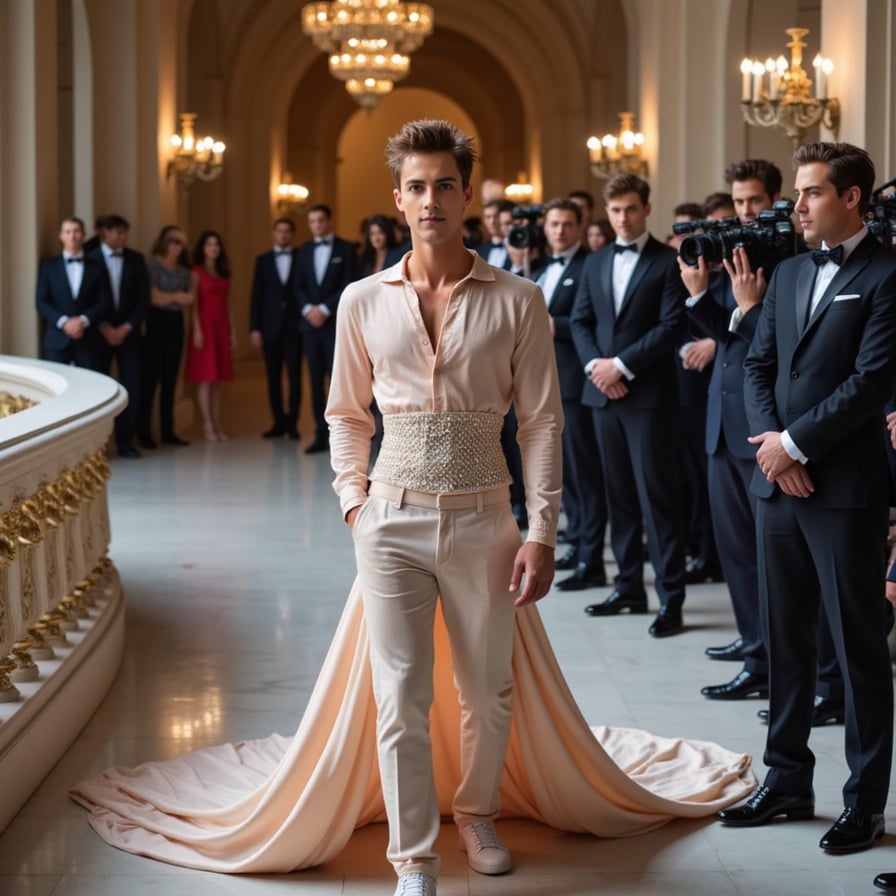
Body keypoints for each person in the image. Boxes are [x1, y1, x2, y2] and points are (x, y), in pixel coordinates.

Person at [69, 122, 755, 887]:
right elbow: (344, 414)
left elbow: (539, 422)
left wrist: (539, 532)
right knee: (399, 693)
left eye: (445, 185)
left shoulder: (519, 300)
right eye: (417, 187)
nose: (431, 199)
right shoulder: (362, 300)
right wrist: (353, 499)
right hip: (388, 520)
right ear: (399, 199)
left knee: (487, 689)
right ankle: (413, 852)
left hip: (485, 521)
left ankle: (480, 816)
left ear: (465, 194)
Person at [718, 142, 896, 855]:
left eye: (811, 193)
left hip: (843, 488)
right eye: (797, 193)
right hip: (777, 483)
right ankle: (786, 778)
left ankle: (865, 803)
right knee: (784, 639)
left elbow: (873, 380)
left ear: (852, 197)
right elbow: (757, 363)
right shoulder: (789, 272)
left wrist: (797, 446)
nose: (796, 206)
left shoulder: (887, 276)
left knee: (856, 650)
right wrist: (773, 444)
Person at [679, 159, 783, 701]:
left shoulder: (788, 261)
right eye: (739, 202)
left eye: (755, 202)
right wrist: (699, 292)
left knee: (770, 561)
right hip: (721, 426)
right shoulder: (728, 257)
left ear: (776, 201)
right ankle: (755, 654)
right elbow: (725, 334)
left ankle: (778, 661)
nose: (745, 212)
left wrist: (750, 305)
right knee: (737, 555)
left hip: (763, 430)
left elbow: (758, 343)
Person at [570, 173, 689, 637]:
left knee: (657, 499)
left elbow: (672, 325)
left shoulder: (668, 261)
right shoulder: (596, 262)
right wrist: (596, 369)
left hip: (648, 399)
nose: (622, 218)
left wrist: (622, 365)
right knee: (617, 495)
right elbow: (581, 321)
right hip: (601, 395)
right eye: (615, 210)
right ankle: (628, 587)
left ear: (646, 209)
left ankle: (671, 599)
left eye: (631, 209)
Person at [532, 198, 608, 590]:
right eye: (553, 224)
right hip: (546, 384)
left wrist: (553, 325)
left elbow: (585, 321)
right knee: (566, 476)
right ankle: (577, 543)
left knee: (585, 474)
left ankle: (591, 557)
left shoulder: (587, 267)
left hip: (576, 383)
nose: (559, 230)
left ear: (580, 226)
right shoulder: (543, 267)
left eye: (566, 224)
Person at [295, 203, 357, 454]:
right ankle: (320, 434)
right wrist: (308, 309)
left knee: (338, 382)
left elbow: (349, 284)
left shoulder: (346, 249)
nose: (317, 225)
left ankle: (341, 436)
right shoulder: (304, 250)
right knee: (314, 381)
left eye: (321, 220)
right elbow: (297, 286)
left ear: (329, 221)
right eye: (312, 221)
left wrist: (326, 309)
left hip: (334, 326)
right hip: (310, 326)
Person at [90, 214, 150, 457]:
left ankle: (126, 440)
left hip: (129, 334)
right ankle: (99, 444)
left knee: (131, 387)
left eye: (125, 232)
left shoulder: (136, 259)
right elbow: (87, 297)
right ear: (105, 232)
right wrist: (104, 326)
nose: (123, 236)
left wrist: (126, 327)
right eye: (118, 232)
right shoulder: (90, 258)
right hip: (98, 335)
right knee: (99, 389)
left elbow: (143, 299)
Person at [139, 225, 194, 448]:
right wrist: (176, 296)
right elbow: (153, 297)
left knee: (171, 380)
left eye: (180, 242)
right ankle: (144, 432)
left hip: (175, 325)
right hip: (155, 323)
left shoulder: (184, 270)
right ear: (164, 241)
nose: (176, 246)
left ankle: (168, 430)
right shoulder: (152, 264)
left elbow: (190, 299)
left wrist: (169, 297)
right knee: (150, 380)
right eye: (173, 240)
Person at [249, 218, 303, 440]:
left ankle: (293, 423)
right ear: (274, 234)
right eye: (279, 231)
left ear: (292, 234)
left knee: (295, 377)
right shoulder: (262, 260)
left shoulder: (301, 257)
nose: (283, 235)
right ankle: (277, 422)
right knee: (273, 378)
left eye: (287, 231)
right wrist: (254, 328)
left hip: (295, 327)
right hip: (270, 327)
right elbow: (256, 296)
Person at [36, 216, 111, 370]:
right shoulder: (48, 266)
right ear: (61, 236)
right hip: (56, 339)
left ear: (84, 235)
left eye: (76, 231)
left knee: (90, 387)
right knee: (56, 385)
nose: (72, 235)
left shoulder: (98, 267)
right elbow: (41, 300)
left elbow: (105, 301)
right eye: (68, 231)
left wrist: (82, 321)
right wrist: (64, 322)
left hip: (89, 338)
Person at [185, 230, 235, 442]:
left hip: (221, 325)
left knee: (217, 380)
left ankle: (217, 423)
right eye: (209, 244)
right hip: (204, 327)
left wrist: (233, 331)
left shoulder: (223, 272)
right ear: (203, 249)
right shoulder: (196, 272)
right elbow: (193, 304)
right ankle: (207, 426)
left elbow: (228, 304)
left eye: (216, 244)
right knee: (205, 379)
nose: (213, 248)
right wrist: (196, 329)